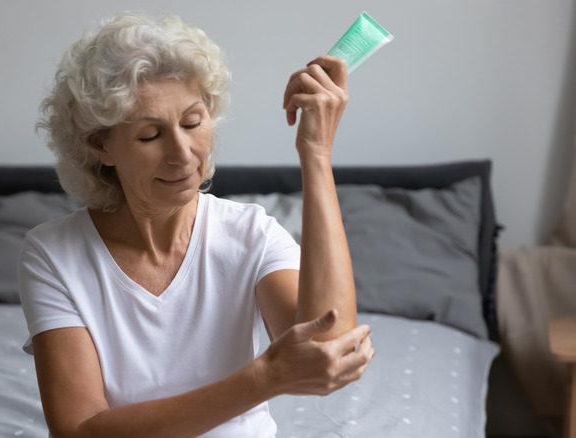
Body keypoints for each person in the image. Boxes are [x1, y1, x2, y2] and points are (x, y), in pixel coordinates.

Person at [20, 13, 374, 438]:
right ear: (101, 145)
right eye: (151, 135)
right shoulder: (53, 253)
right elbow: (79, 430)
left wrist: (316, 153)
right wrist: (264, 379)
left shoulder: (251, 235)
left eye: (192, 123)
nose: (184, 154)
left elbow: (330, 349)